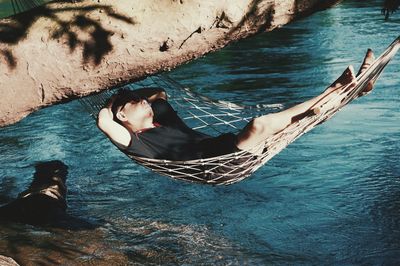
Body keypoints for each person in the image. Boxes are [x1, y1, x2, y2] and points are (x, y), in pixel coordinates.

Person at [97, 50, 375, 161]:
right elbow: (103, 121)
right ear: (122, 113)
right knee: (260, 124)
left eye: (143, 101)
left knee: (298, 122)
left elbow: (158, 92)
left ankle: (352, 92)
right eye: (136, 103)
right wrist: (112, 101)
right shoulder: (136, 141)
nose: (145, 103)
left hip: (228, 146)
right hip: (218, 164)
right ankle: (335, 89)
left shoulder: (161, 117)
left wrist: (134, 95)